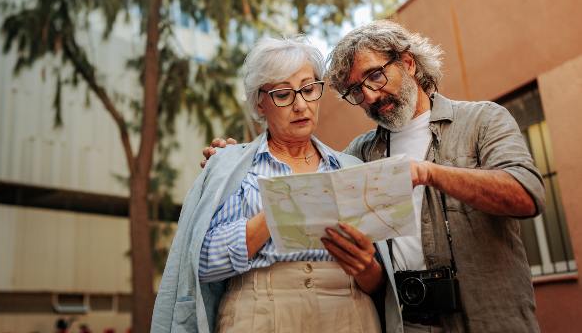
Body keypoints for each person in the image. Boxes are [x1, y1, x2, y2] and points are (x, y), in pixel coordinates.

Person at [202, 21, 545, 333]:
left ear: (408, 63)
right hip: (404, 322)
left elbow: (526, 195)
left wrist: (430, 173)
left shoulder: (482, 121)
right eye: (355, 91)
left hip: (486, 317)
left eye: (375, 76)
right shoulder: (358, 155)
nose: (368, 95)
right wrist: (234, 158)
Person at [152, 36, 383, 333]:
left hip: (350, 316)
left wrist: (368, 269)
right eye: (284, 95)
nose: (301, 105)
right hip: (260, 315)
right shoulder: (232, 166)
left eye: (309, 89)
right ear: (260, 102)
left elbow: (379, 279)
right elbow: (202, 263)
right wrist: (277, 212)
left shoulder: (350, 169)